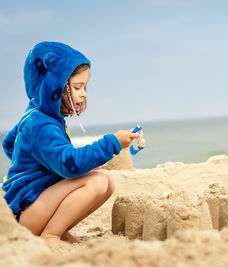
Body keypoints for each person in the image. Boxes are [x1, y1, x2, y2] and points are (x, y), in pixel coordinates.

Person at [2, 41, 143, 247]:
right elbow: (68, 165)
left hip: (31, 207)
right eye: (77, 87)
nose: (84, 93)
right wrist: (112, 143)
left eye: (85, 87)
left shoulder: (37, 114)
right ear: (54, 87)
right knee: (98, 182)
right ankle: (50, 235)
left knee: (106, 182)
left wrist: (38, 168)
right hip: (24, 214)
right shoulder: (41, 124)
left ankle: (58, 230)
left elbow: (9, 144)